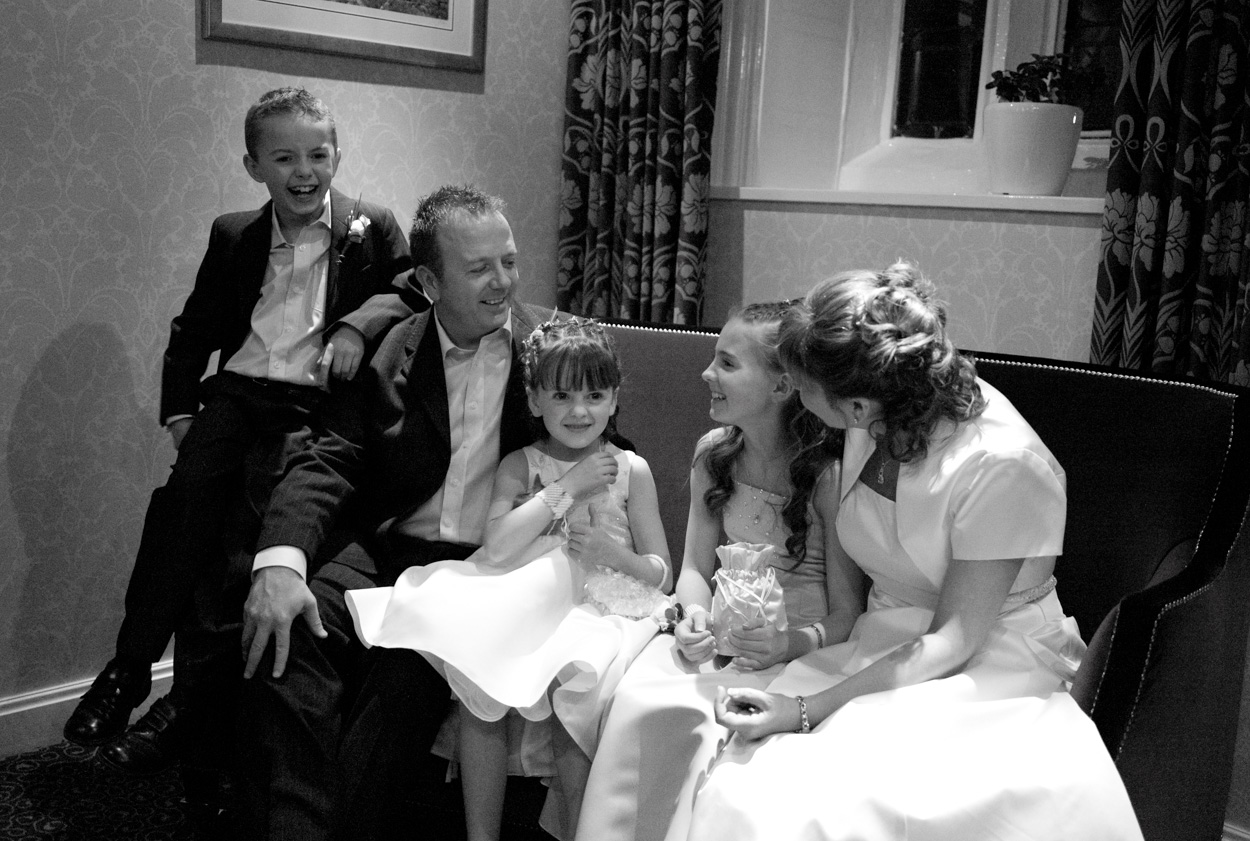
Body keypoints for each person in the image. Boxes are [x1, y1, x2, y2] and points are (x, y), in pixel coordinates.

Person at [686, 264, 1144, 841]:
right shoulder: (881, 404)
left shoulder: (1001, 466)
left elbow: (954, 640)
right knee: (742, 783)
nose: (796, 396)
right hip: (881, 636)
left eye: (803, 387)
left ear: (854, 407)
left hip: (987, 660)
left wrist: (806, 710)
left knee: (825, 799)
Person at [62, 86, 414, 786]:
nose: (304, 170)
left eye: (317, 154)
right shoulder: (234, 234)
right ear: (254, 165)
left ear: (338, 154)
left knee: (245, 537)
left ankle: (191, 715)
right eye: (284, 157)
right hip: (236, 395)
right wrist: (180, 414)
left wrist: (354, 324)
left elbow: (411, 288)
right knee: (183, 498)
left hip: (308, 411)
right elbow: (193, 330)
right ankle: (131, 667)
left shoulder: (372, 227)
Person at [236, 184, 555, 841]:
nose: (503, 283)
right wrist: (280, 561)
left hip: (478, 570)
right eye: (479, 268)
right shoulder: (386, 351)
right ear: (431, 282)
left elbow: (604, 451)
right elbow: (328, 461)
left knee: (401, 688)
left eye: (510, 262)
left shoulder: (545, 353)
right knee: (290, 622)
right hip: (386, 550)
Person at [345, 317, 672, 841]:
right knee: (481, 675)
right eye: (561, 395)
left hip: (598, 604)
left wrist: (614, 553)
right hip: (522, 596)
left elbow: (662, 572)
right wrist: (566, 486)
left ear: (614, 400)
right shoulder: (521, 465)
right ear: (535, 400)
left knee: (578, 683)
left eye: (594, 395)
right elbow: (497, 544)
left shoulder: (631, 469)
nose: (579, 411)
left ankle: (579, 831)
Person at [568, 301, 864, 841]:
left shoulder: (825, 474)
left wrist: (788, 643)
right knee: (640, 701)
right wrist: (693, 619)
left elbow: (849, 613)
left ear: (781, 386)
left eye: (727, 363)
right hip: (719, 638)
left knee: (725, 737)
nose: (707, 373)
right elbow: (694, 570)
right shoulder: (714, 455)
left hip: (798, 652)